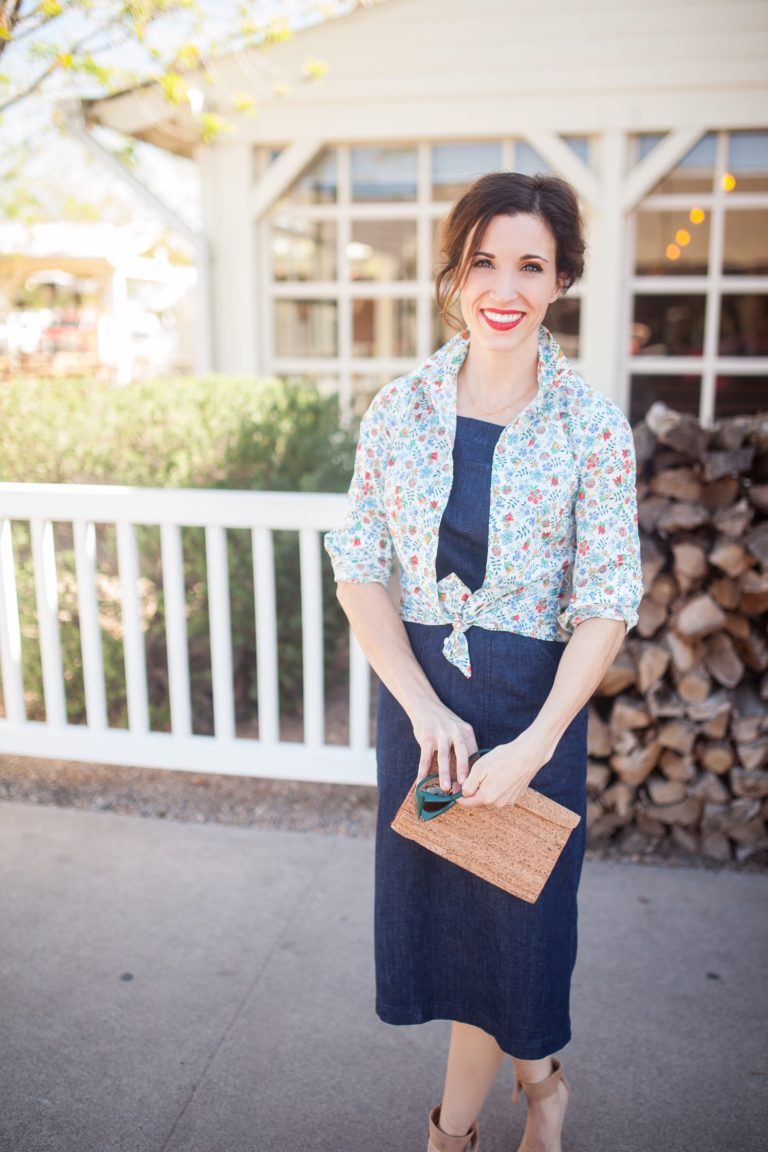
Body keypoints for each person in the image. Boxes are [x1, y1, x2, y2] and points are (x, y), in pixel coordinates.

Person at [324, 171, 643, 1152]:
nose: (503, 285)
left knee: (520, 939)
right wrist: (424, 710)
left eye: (530, 264)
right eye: (482, 261)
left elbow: (607, 600)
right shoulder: (399, 409)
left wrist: (537, 742)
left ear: (561, 280)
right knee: (459, 942)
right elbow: (359, 566)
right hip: (423, 716)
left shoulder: (589, 423)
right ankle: (534, 1090)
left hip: (530, 712)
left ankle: (474, 1122)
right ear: (456, 274)